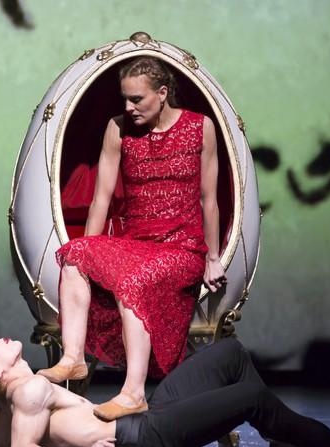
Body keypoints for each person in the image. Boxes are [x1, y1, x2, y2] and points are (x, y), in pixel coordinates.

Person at [38, 57, 226, 421]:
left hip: (182, 248)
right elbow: (101, 199)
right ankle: (73, 358)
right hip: (136, 245)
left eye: (137, 99)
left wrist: (213, 257)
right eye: (125, 98)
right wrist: (91, 253)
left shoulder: (200, 127)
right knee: (74, 254)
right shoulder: (118, 128)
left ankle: (133, 393)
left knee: (132, 281)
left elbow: (209, 200)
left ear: (162, 93)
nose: (129, 106)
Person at [0, 335, 330, 447]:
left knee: (230, 353)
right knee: (250, 396)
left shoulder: (13, 399)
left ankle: (284, 442)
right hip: (145, 440)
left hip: (144, 419)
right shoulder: (28, 392)